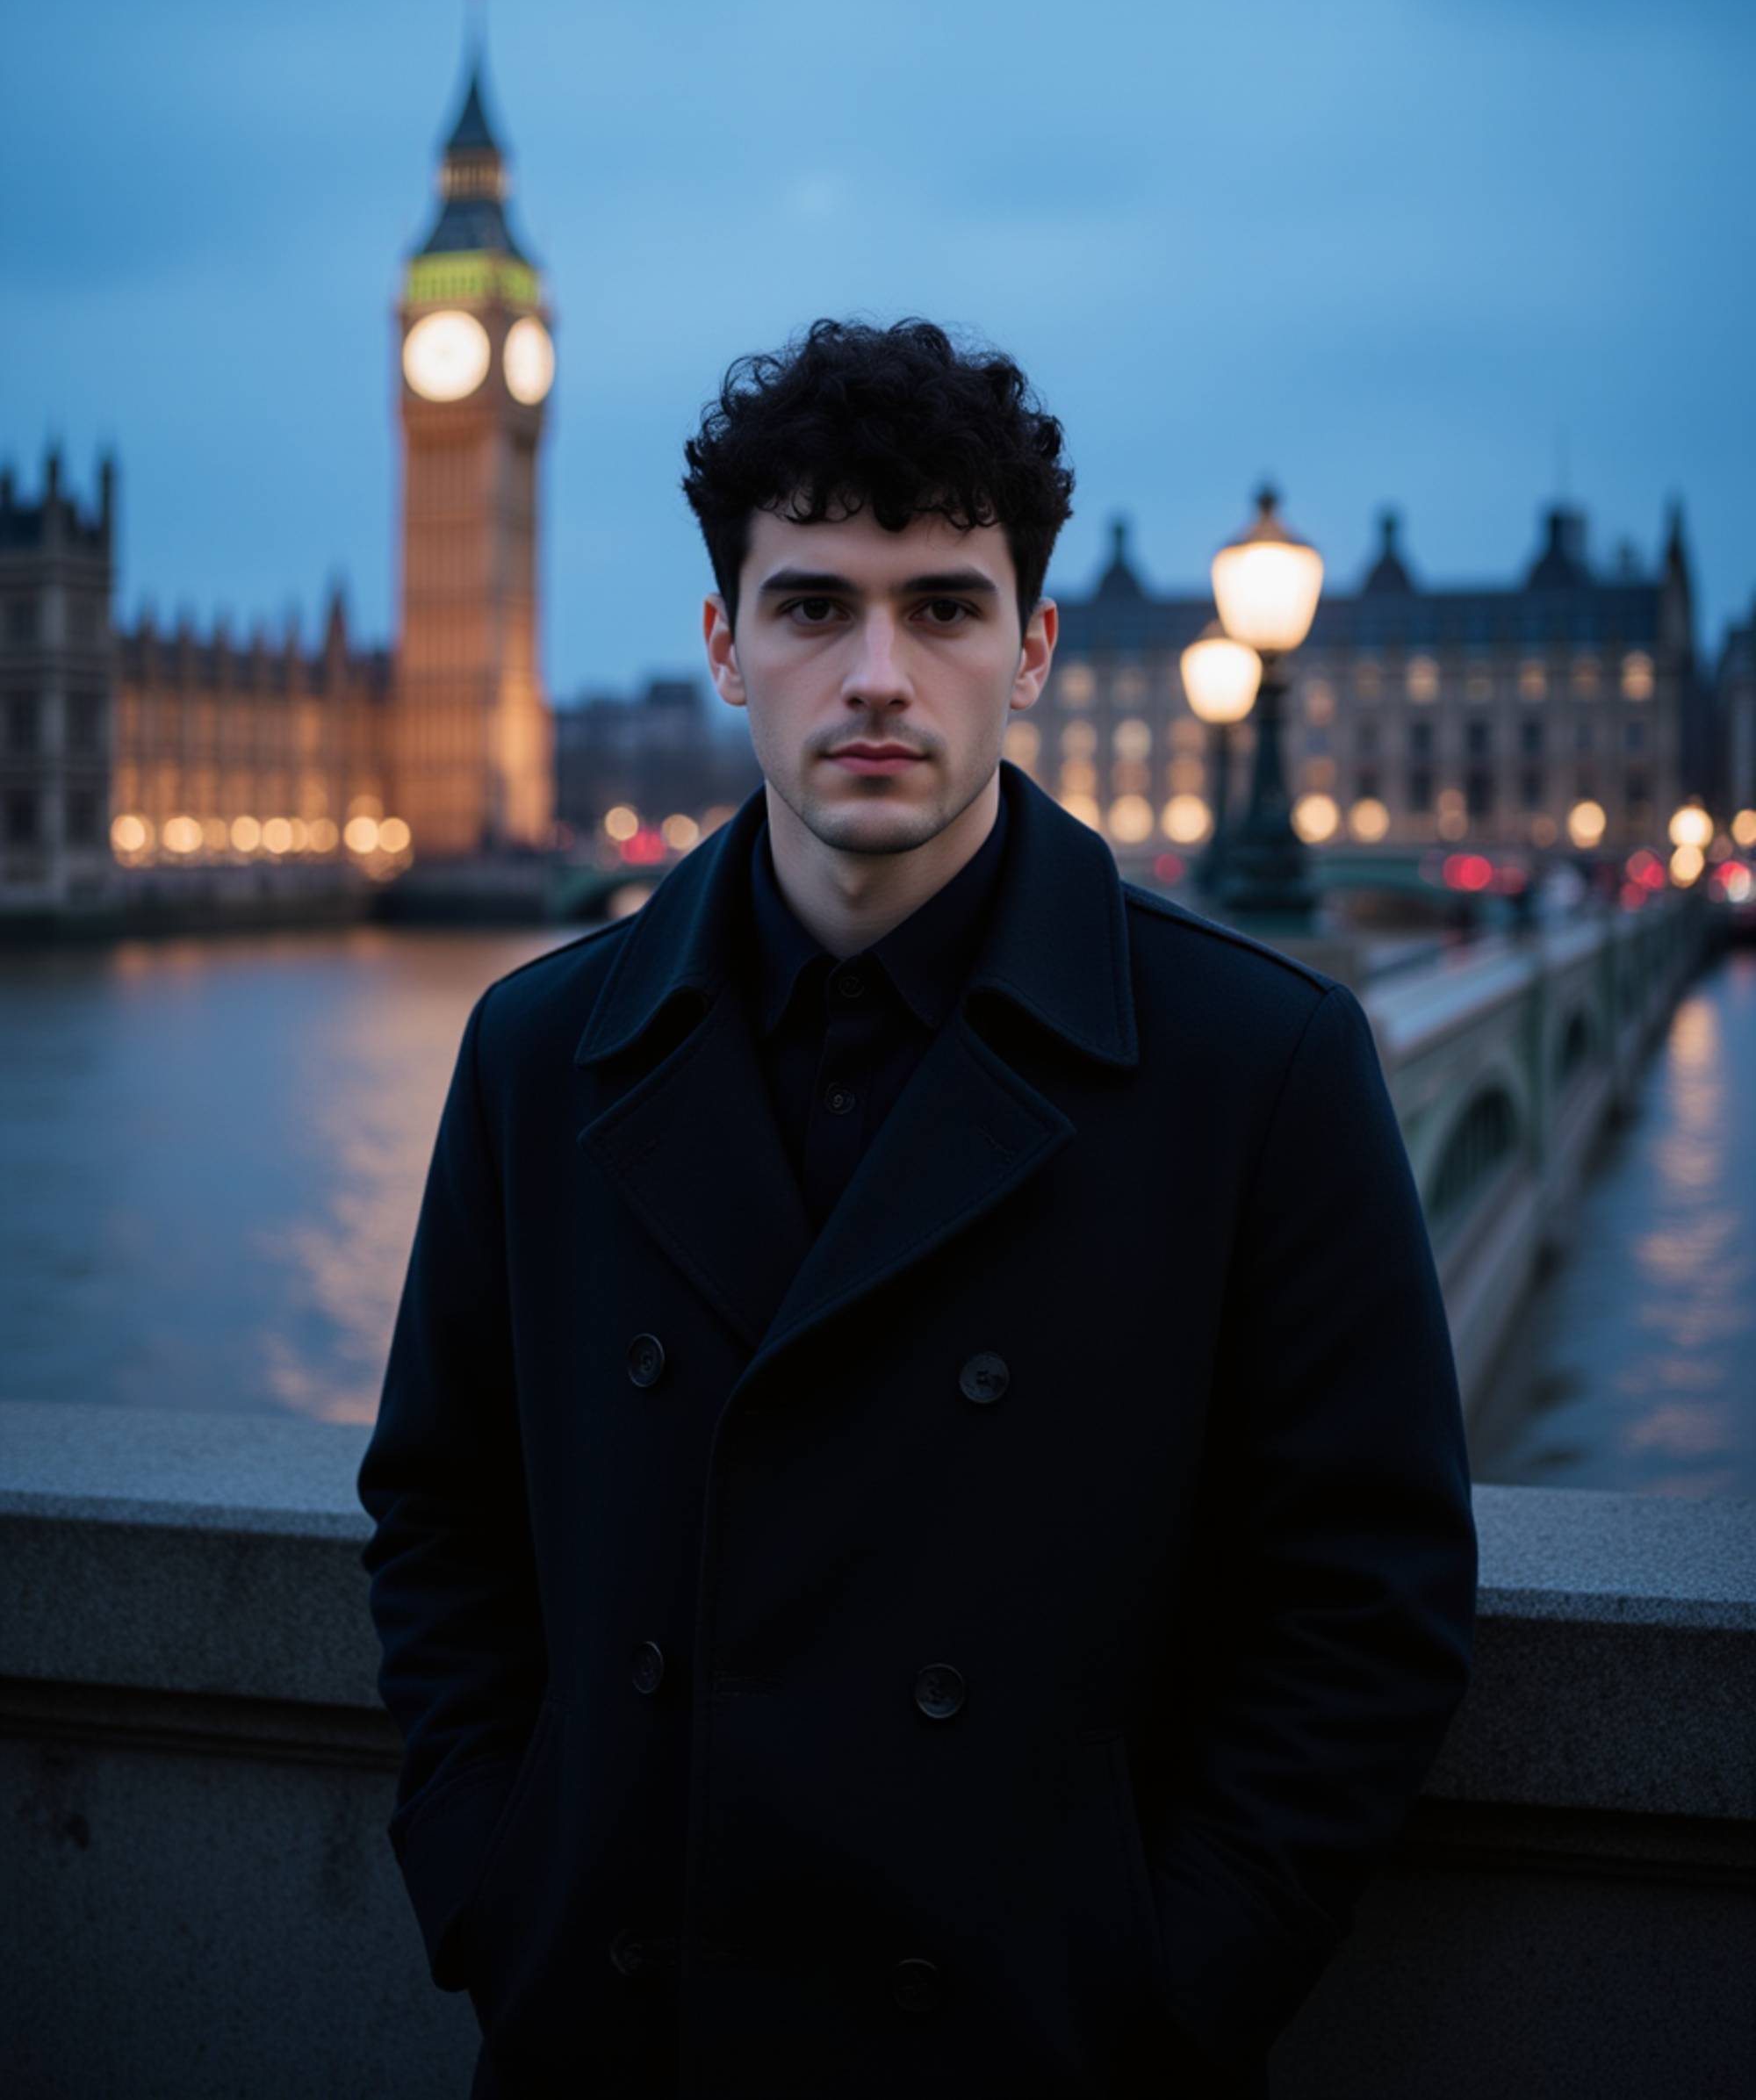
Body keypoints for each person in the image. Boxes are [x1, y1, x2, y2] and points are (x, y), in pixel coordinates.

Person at [356, 315, 1478, 2099]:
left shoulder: (1255, 1065)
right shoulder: (535, 1051)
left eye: (941, 606)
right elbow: (439, 1514)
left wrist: (1163, 1996)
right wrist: (502, 1892)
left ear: (1029, 646)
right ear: (724, 644)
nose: (877, 673)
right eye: (813, 606)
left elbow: (1369, 1594)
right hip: (615, 2034)